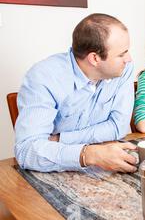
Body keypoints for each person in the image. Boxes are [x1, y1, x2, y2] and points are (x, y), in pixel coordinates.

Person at [15, 13, 138, 173]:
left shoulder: (123, 69)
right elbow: (27, 151)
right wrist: (87, 154)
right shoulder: (44, 77)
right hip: (57, 175)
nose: (128, 59)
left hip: (107, 166)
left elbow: (118, 127)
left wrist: (60, 139)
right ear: (94, 58)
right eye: (122, 54)